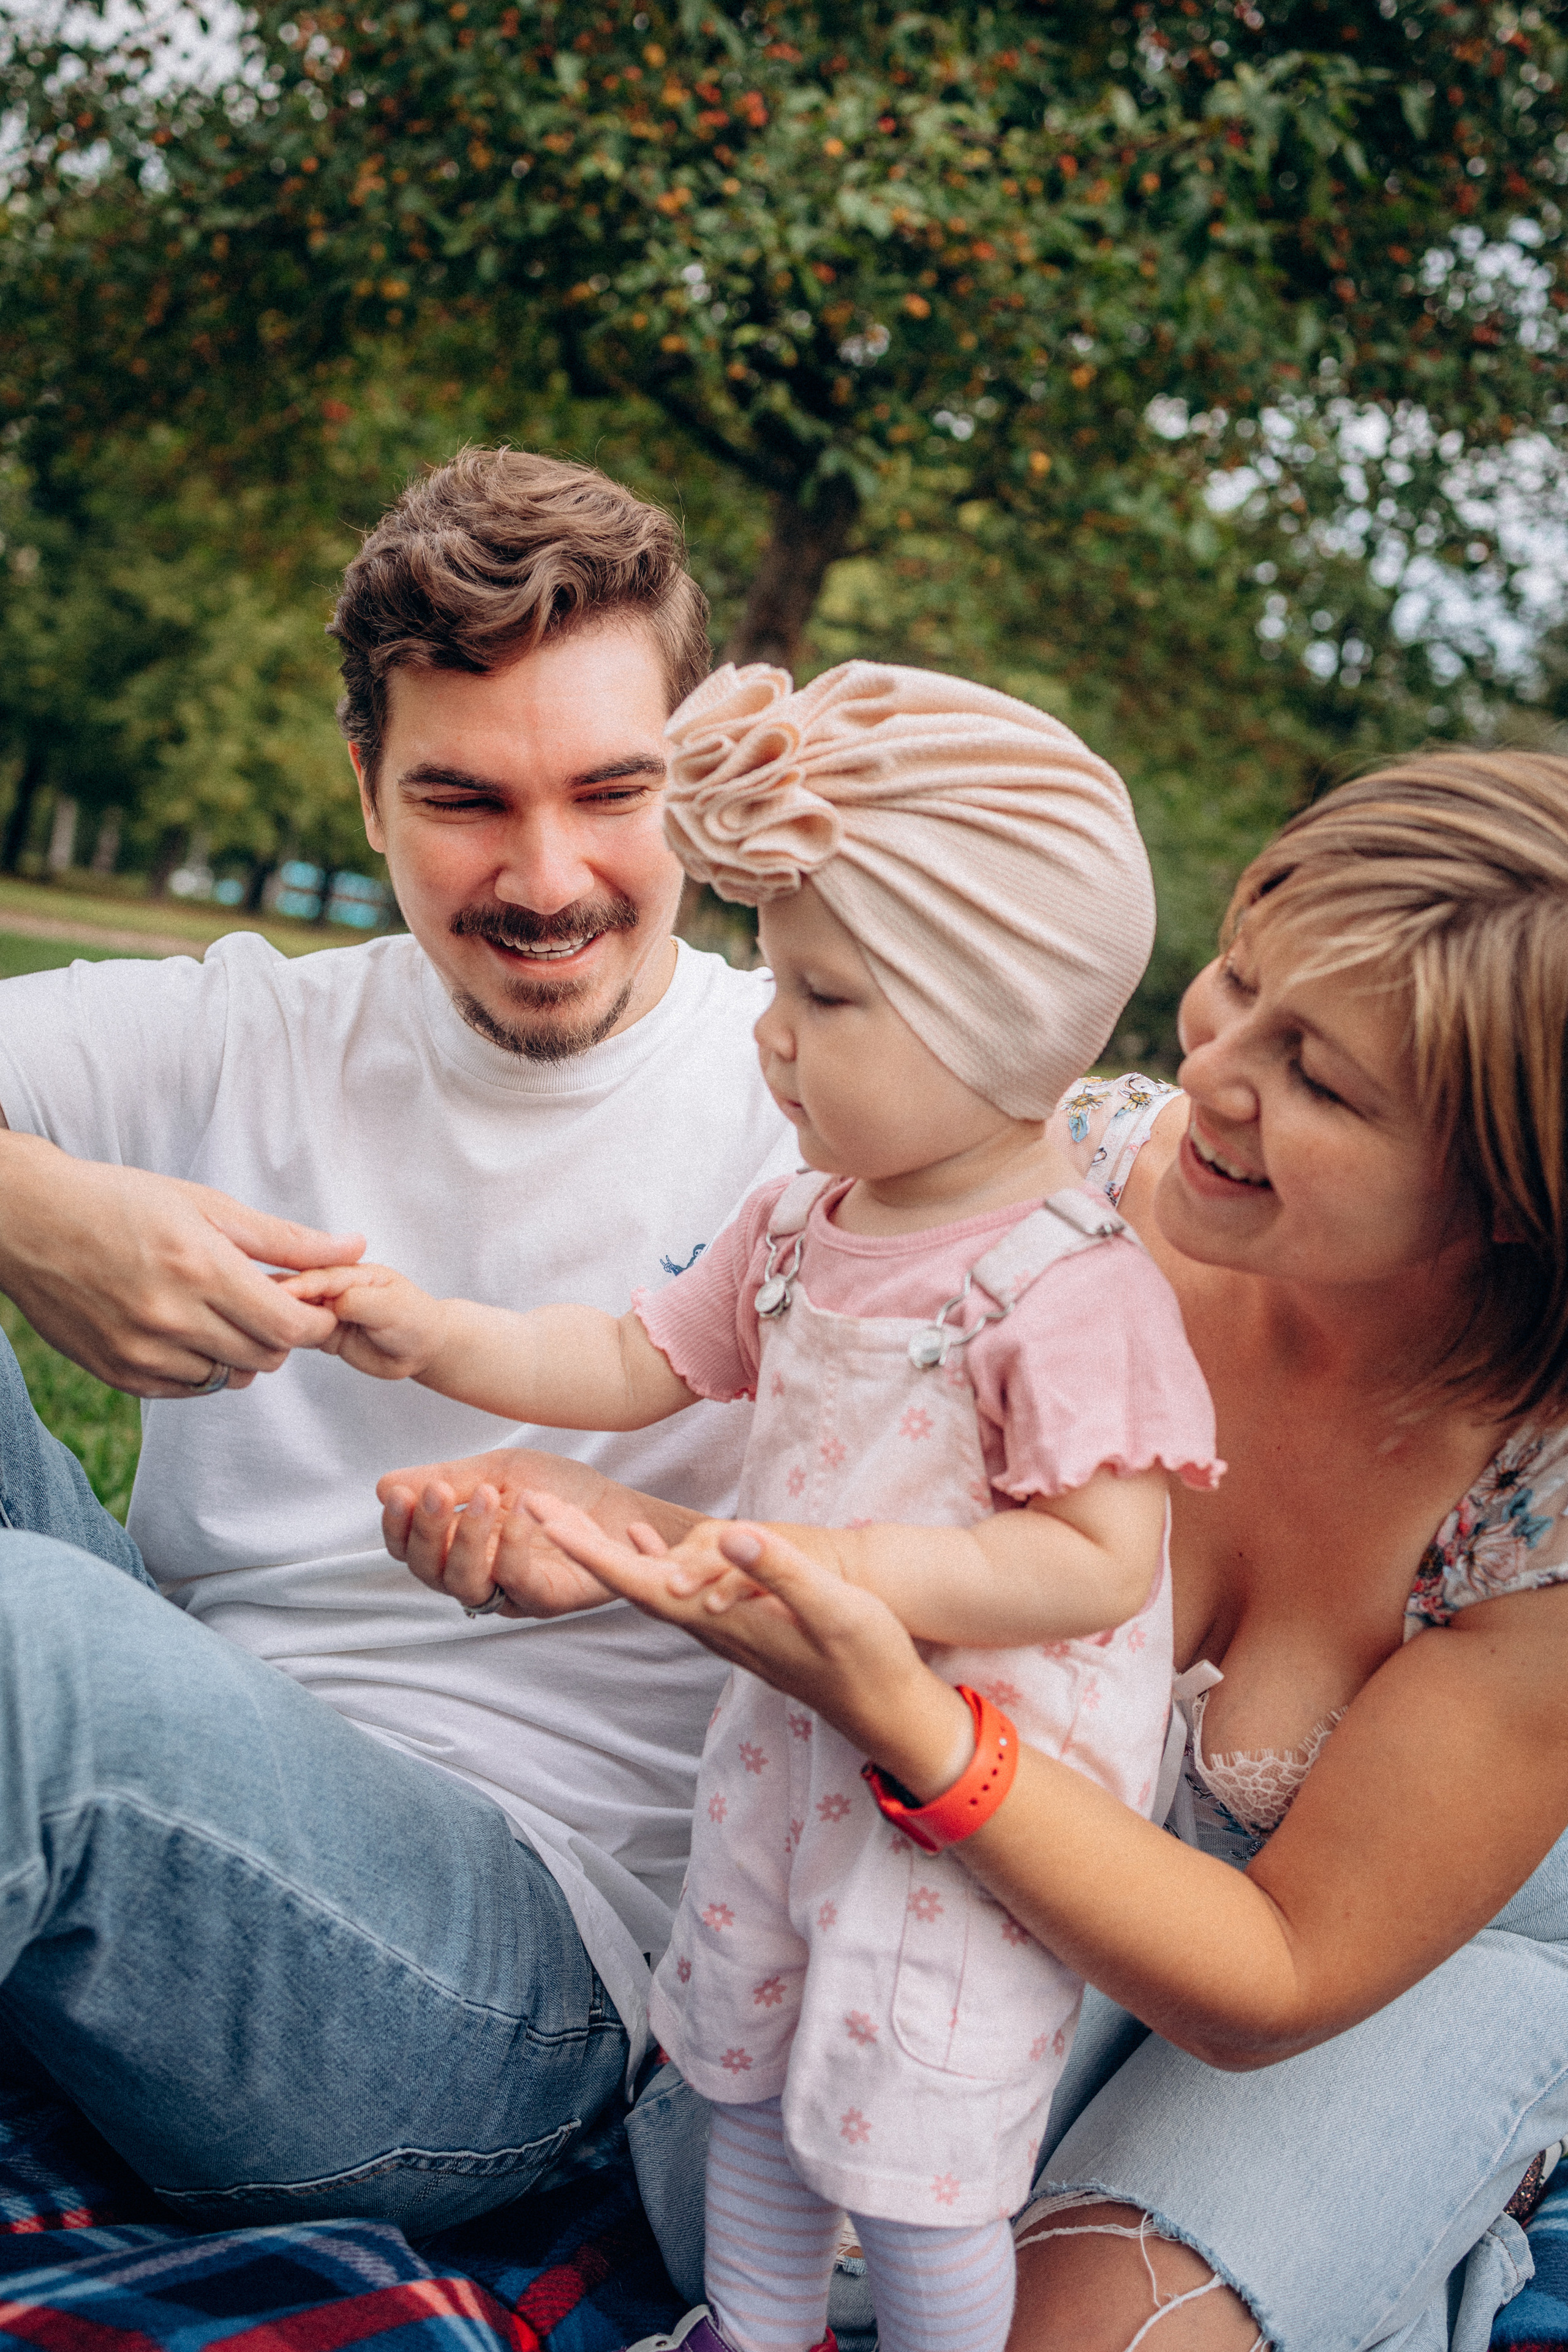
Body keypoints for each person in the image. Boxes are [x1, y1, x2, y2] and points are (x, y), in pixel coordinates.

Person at [450, 749, 1568, 2350]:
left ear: (1515, 1190)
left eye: (1320, 1079)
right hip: (1009, 1882)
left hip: (1346, 1973)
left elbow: (1270, 1973)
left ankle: (1444, 2176)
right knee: (754, 2233)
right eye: (1238, 981)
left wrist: (919, 1730)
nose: (1215, 1077)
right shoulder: (1078, 1187)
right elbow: (844, 1536)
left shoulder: (1540, 1506)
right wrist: (618, 1537)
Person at [285, 658, 1223, 2352]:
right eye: (781, 983)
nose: (772, 1034)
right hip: (786, 1751)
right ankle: (752, 2330)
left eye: (830, 1000)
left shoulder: (1066, 1287)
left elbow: (1102, 1558)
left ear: (995, 1016)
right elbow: (634, 1354)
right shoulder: (804, 1220)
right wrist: (438, 1330)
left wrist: (848, 1570)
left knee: (919, 2148)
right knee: (757, 2078)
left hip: (963, 1804)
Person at [0, 448, 801, 2225]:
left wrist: (637, 1553)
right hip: (173, 1751)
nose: (548, 877)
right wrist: (31, 1210)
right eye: (464, 801)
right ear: (364, 791)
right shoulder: (247, 1032)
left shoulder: (812, 1114)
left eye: (613, 793)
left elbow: (1015, 1571)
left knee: (20, 1645)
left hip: (507, 1983)